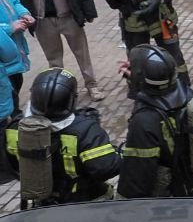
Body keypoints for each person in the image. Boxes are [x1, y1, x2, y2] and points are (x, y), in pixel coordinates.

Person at [6, 67, 119, 205]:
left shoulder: (14, 129)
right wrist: (119, 153)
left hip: (43, 203)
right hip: (87, 202)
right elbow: (106, 168)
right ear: (72, 100)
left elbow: (12, 165)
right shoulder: (86, 131)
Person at [116, 44, 193, 199]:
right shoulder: (189, 95)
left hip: (170, 200)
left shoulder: (144, 122)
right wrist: (136, 78)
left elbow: (137, 179)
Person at [0, 0, 34, 115]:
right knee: (8, 93)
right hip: (3, 56)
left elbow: (14, 2)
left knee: (16, 82)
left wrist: (24, 14)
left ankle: (14, 117)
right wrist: (10, 27)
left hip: (14, 49)